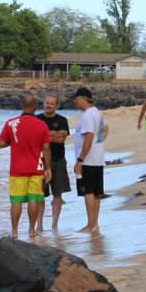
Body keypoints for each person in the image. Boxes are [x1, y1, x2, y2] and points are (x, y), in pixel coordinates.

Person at [0, 93, 52, 239]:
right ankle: (31, 230)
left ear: (22, 106)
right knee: (33, 200)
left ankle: (14, 231)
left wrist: (14, 142)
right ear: (35, 107)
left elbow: (1, 144)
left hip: (17, 169)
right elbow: (46, 148)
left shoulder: (11, 123)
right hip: (36, 168)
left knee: (16, 201)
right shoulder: (42, 125)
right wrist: (48, 168)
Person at [71, 87, 107, 233]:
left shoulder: (87, 115)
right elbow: (106, 129)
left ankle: (90, 224)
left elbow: (89, 137)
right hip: (97, 158)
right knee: (97, 192)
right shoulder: (97, 113)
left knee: (88, 192)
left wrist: (80, 159)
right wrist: (99, 144)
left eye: (76, 99)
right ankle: (95, 224)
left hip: (88, 160)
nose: (75, 102)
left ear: (84, 98)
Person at [34, 93, 70, 234]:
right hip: (40, 161)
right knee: (39, 194)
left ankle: (55, 224)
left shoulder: (62, 120)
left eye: (52, 103)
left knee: (58, 193)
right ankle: (39, 225)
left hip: (59, 160)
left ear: (57, 105)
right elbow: (35, 139)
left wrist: (44, 136)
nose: (48, 105)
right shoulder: (37, 119)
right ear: (43, 103)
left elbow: (61, 139)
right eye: (47, 102)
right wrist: (52, 134)